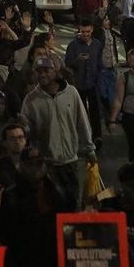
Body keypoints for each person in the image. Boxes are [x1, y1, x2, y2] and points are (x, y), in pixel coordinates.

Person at [22, 57, 96, 209]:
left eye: (46, 70)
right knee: (51, 206)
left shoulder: (72, 93)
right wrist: (25, 129)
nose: (42, 74)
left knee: (72, 204)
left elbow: (83, 122)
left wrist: (89, 148)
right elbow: (27, 133)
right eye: (39, 71)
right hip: (48, 165)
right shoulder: (30, 99)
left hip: (70, 162)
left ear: (55, 72)